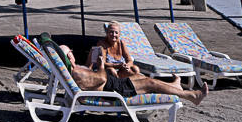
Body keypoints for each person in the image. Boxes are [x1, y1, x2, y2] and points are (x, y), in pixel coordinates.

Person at [54, 39, 208, 106]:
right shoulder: (77, 72)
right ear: (69, 55)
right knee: (150, 83)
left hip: (113, 83)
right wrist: (101, 65)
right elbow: (100, 80)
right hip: (113, 89)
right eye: (71, 52)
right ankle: (192, 96)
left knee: (139, 76)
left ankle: (174, 86)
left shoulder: (75, 69)